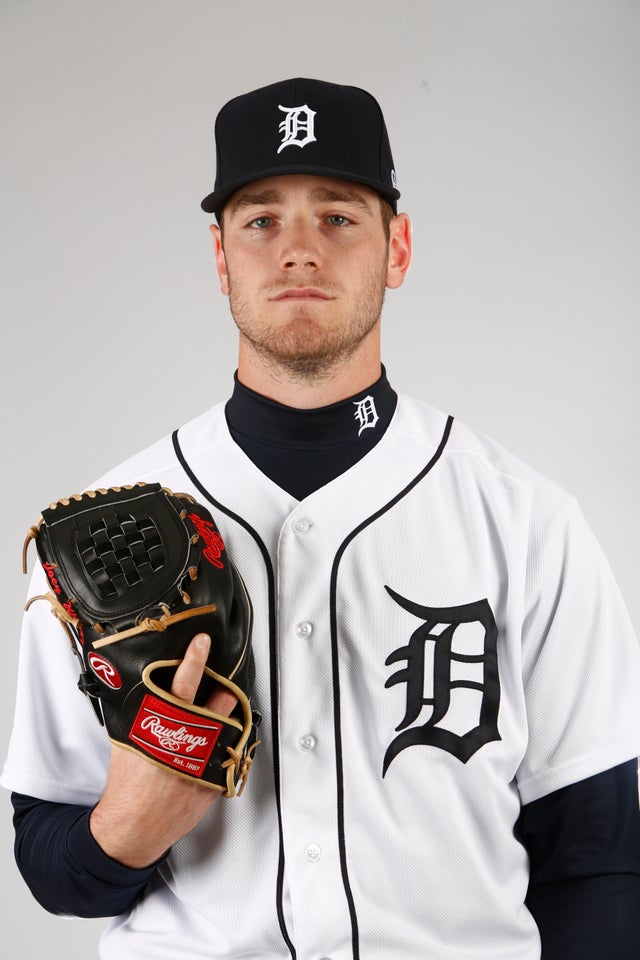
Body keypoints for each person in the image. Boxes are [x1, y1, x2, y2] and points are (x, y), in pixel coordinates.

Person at [3, 77, 640, 960]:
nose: (298, 250)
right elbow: (48, 862)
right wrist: (129, 824)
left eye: (337, 216)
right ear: (220, 257)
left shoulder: (527, 523)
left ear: (398, 248)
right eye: (261, 219)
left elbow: (599, 862)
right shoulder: (105, 542)